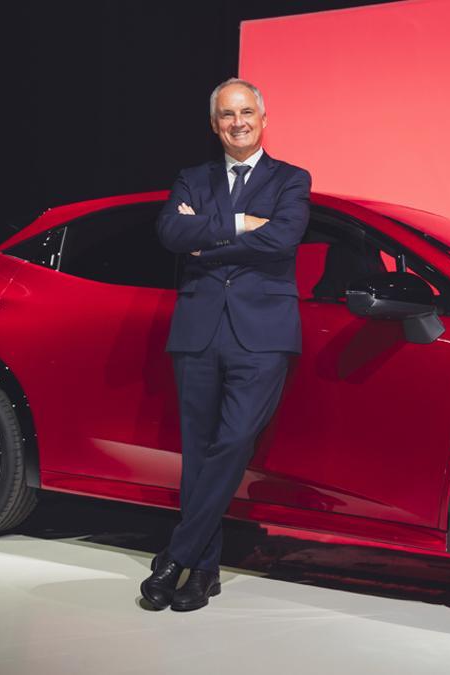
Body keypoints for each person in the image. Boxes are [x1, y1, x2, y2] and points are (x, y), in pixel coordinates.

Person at [144, 77, 310, 612]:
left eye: (246, 113)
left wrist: (206, 243)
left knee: (233, 443)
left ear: (263, 119)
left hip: (261, 336)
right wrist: (240, 224)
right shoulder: (192, 178)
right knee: (199, 453)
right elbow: (171, 234)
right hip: (198, 331)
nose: (237, 122)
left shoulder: (291, 180)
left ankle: (176, 555)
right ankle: (202, 573)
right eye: (226, 115)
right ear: (215, 124)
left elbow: (281, 239)